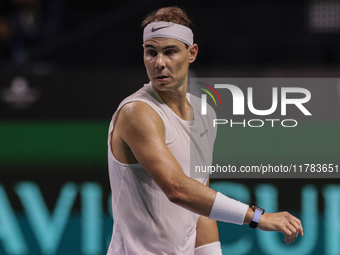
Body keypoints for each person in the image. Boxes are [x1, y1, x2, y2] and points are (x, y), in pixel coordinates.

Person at [107, 6, 303, 255]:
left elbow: (200, 204)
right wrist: (258, 217)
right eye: (151, 52)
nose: (159, 63)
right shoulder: (138, 112)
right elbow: (177, 189)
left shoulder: (204, 113)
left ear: (192, 53)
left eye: (170, 52)